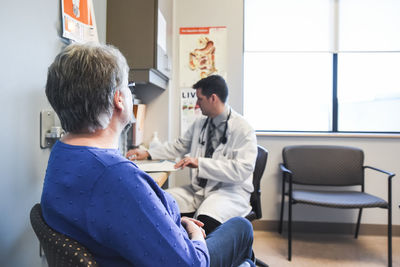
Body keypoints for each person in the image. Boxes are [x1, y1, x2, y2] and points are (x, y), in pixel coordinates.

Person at [41, 43, 256, 267]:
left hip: (225, 194)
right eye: (128, 86)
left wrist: (166, 223)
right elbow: (190, 264)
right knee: (242, 228)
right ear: (119, 99)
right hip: (185, 255)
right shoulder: (117, 176)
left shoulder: (62, 152)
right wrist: (197, 236)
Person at [126, 75, 258, 234]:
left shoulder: (243, 129)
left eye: (200, 99)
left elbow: (241, 170)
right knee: (157, 202)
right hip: (198, 191)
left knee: (204, 223)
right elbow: (179, 146)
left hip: (228, 193)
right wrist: (147, 153)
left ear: (213, 98)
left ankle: (201, 257)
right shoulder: (200, 124)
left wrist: (199, 163)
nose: (196, 104)